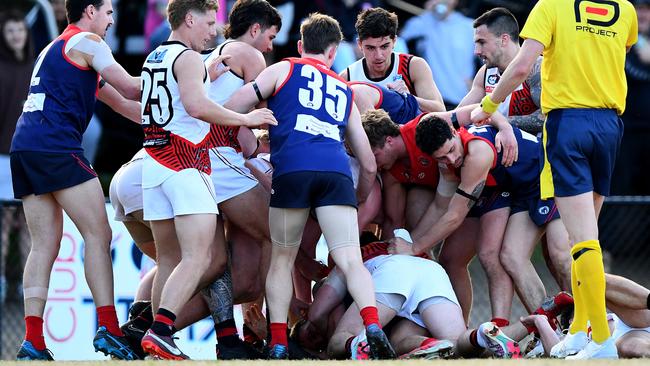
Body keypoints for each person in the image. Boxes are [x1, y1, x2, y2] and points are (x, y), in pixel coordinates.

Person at [470, 0, 638, 359]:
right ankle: (578, 329)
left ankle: (601, 338)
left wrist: (488, 108)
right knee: (583, 237)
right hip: (609, 125)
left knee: (581, 242)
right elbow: (615, 53)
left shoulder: (551, 6)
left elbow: (521, 67)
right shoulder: (625, 9)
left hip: (569, 124)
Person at [225, 13, 395, 360]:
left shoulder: (284, 69)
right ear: (334, 53)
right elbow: (368, 160)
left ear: (301, 46)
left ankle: (277, 342)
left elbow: (233, 106)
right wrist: (358, 197)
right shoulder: (343, 89)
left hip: (292, 171)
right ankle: (373, 326)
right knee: (350, 260)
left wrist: (252, 125)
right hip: (335, 175)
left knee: (282, 260)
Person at [136, 0, 276, 360]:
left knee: (169, 260)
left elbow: (161, 99)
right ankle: (160, 329)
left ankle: (153, 341)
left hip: (153, 162)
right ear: (189, 19)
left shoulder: (155, 57)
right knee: (203, 258)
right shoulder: (186, 58)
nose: (214, 31)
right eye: (209, 23)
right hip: (184, 162)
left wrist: (206, 76)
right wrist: (245, 119)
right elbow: (197, 108)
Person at [10, 0, 144, 360]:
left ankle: (32, 341)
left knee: (44, 245)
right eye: (109, 12)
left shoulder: (59, 48)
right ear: (89, 11)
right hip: (55, 146)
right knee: (98, 234)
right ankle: (109, 329)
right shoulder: (89, 43)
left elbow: (121, 104)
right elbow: (132, 88)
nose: (112, 21)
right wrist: (177, 77)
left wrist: (166, 122)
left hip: (25, 147)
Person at [442, 7, 570, 325]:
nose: (476, 50)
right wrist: (424, 112)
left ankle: (594, 322)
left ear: (503, 39)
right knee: (507, 257)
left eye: (481, 42)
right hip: (511, 180)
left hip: (547, 173)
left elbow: (548, 119)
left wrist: (504, 124)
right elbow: (464, 118)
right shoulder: (485, 76)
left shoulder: (539, 68)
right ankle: (550, 329)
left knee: (562, 260)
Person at [199, 0, 281, 359]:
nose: (270, 46)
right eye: (270, 36)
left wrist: (252, 143)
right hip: (217, 155)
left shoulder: (215, 55)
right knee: (281, 231)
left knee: (225, 273)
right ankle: (274, 332)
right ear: (255, 30)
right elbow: (235, 119)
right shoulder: (249, 55)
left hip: (193, 161)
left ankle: (149, 322)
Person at [341, 7, 446, 113]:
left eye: (384, 46)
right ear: (359, 44)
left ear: (394, 41)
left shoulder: (414, 66)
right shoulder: (347, 77)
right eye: (370, 48)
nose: (378, 55)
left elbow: (440, 110)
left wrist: (409, 98)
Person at [400, 0, 475, 108]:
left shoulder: (469, 27)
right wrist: (427, 12)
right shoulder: (424, 22)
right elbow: (398, 42)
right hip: (432, 100)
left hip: (462, 100)